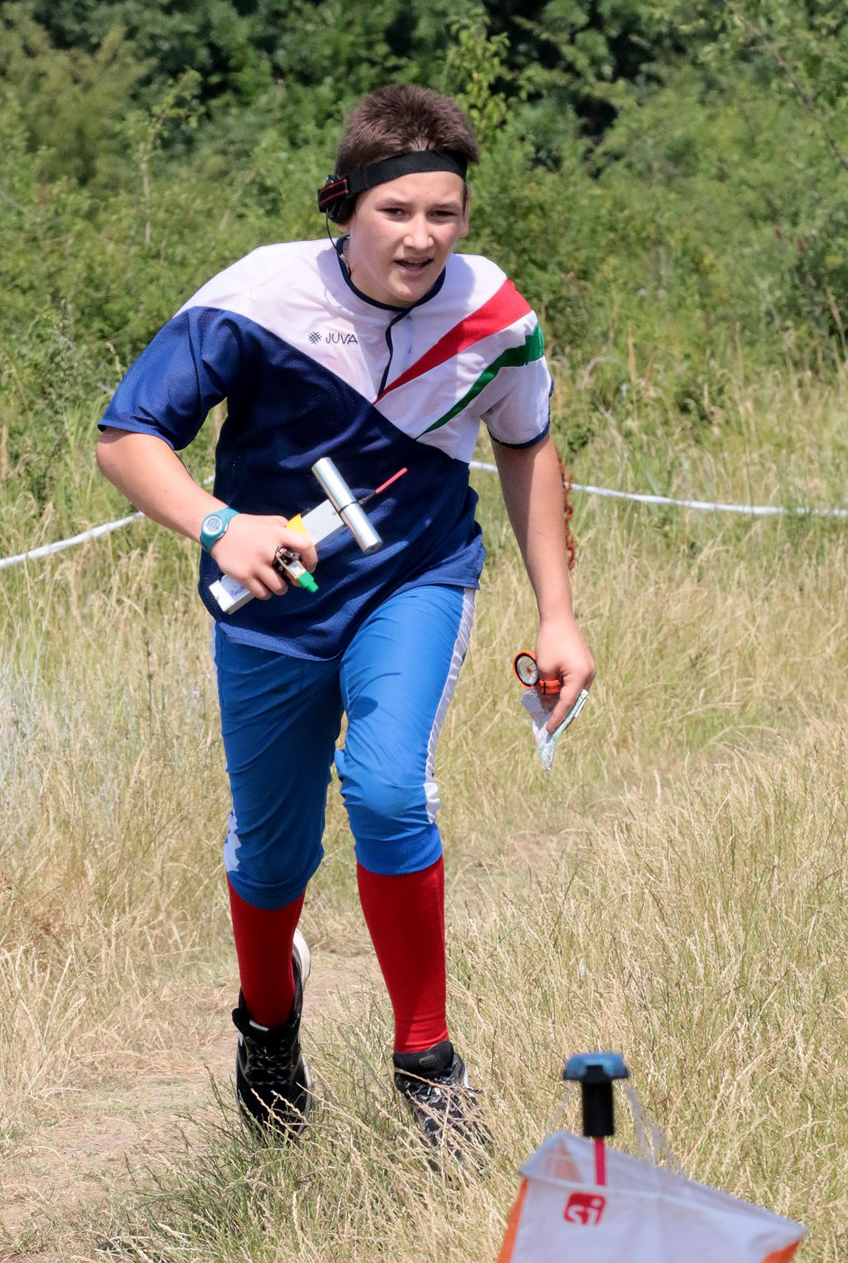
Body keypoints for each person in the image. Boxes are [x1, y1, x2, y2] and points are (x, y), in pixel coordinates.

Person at [96, 83, 595, 1163]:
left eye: (443, 214)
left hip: (416, 578)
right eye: (396, 212)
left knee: (386, 786)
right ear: (347, 204)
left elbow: (526, 444)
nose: (421, 238)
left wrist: (559, 615)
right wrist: (218, 521)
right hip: (272, 607)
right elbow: (127, 436)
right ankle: (268, 1027)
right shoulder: (259, 296)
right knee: (272, 858)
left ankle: (428, 1064)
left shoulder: (494, 312)